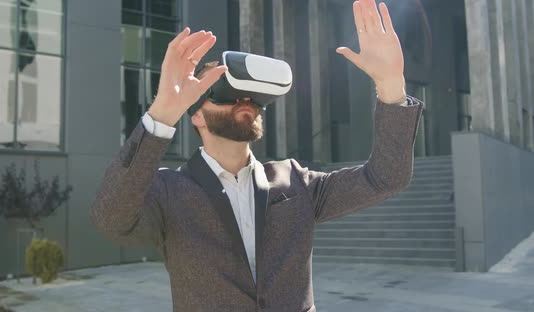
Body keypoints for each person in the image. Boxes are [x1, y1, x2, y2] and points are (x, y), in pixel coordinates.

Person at [91, 0, 423, 311]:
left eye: (252, 95)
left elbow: (386, 177)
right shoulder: (168, 191)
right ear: (195, 115)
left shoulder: (295, 182)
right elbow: (111, 218)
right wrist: (162, 113)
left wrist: (392, 87)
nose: (245, 100)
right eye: (229, 93)